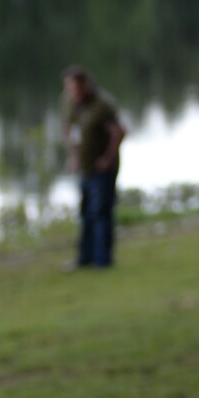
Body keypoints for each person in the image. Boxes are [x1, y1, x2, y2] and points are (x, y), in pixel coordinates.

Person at [61, 65, 126, 269]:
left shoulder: (102, 105)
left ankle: (103, 260)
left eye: (76, 89)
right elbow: (66, 127)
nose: (73, 94)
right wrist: (73, 155)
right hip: (83, 168)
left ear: (86, 86)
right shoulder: (69, 102)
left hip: (102, 171)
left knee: (101, 213)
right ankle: (84, 258)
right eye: (70, 89)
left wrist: (107, 159)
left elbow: (119, 132)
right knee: (85, 213)